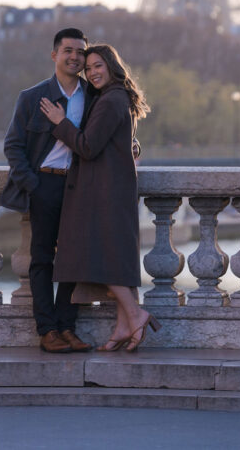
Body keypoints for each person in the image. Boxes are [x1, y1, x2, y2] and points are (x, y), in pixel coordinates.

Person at [39, 44, 160, 352]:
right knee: (115, 258)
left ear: (111, 65)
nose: (92, 73)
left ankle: (135, 314)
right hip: (112, 187)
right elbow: (117, 139)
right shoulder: (117, 97)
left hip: (103, 191)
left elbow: (89, 146)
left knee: (102, 258)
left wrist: (59, 122)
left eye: (97, 66)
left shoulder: (111, 100)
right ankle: (123, 325)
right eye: (88, 68)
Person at [0, 27, 92, 354]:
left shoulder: (93, 97)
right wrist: (33, 185)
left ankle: (67, 327)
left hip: (80, 185)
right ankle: (47, 330)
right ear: (54, 55)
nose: (75, 57)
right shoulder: (31, 97)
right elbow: (13, 146)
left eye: (80, 52)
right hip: (46, 184)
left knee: (74, 259)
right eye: (68, 50)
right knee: (42, 259)